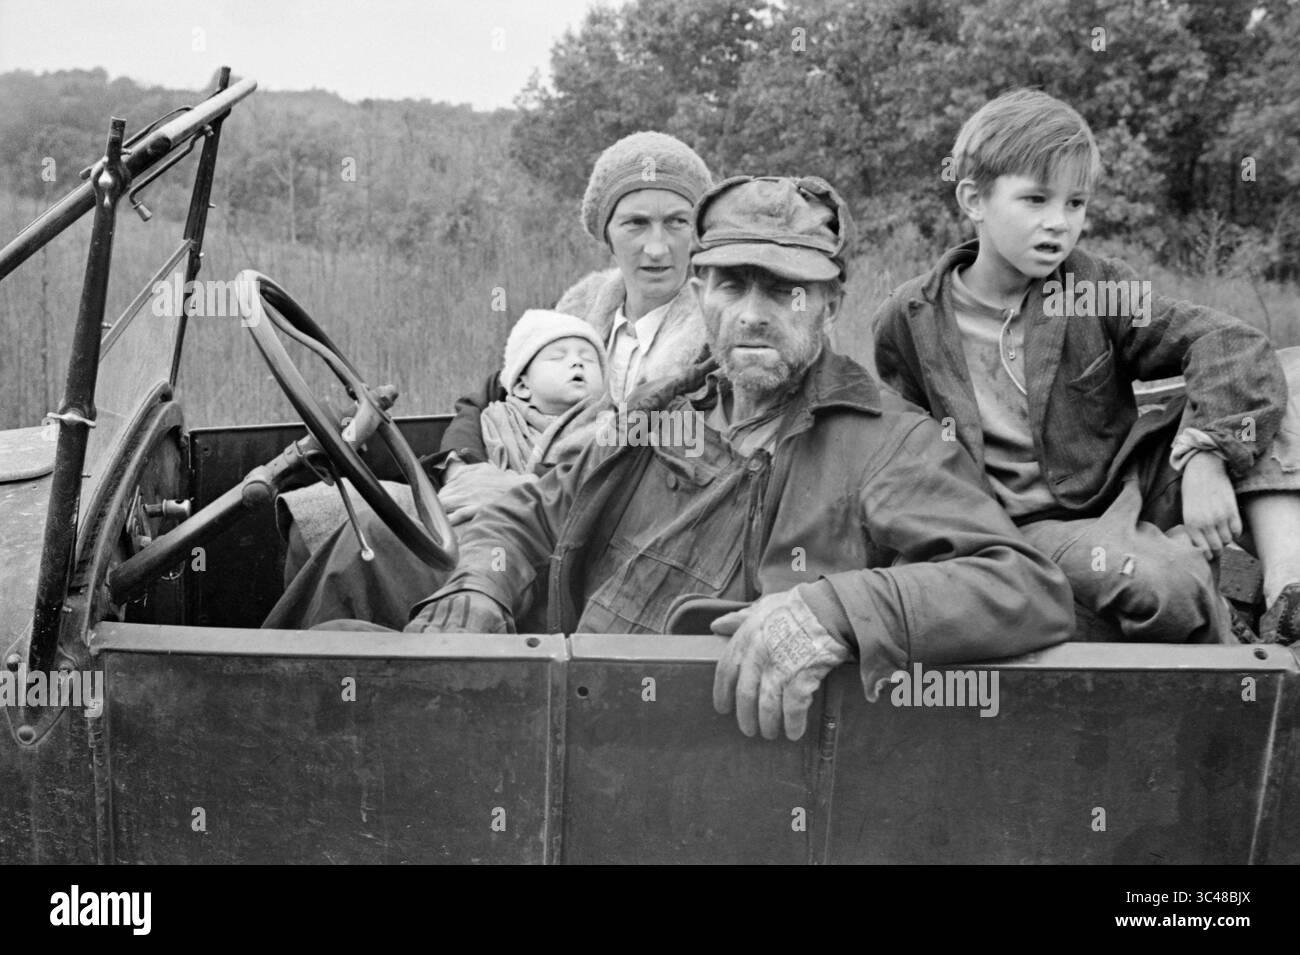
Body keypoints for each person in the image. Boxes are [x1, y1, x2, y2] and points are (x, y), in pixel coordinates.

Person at [407, 175, 1076, 742]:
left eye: (785, 289)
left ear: (828, 304)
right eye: (732, 286)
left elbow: (1024, 587)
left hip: (708, 754)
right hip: (568, 707)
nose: (754, 314)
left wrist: (837, 610)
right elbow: (538, 508)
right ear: (701, 296)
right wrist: (478, 585)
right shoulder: (659, 408)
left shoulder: (885, 441)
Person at [871, 88, 1300, 645]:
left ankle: (1288, 592)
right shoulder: (910, 319)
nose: (1059, 224)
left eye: (1075, 204)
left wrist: (1207, 453)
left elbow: (1227, 341)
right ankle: (1235, 648)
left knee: (1286, 377)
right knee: (1168, 584)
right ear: (974, 199)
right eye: (1036, 200)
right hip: (1034, 526)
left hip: (1127, 481)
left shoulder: (1092, 286)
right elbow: (904, 451)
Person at [435, 130, 715, 526]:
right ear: (607, 236)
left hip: (620, 534)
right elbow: (484, 398)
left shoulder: (716, 341)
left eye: (677, 222)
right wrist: (463, 469)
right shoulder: (576, 312)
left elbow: (678, 461)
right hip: (516, 514)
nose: (657, 248)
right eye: (635, 224)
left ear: (699, 234)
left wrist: (527, 494)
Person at [263, 309, 606, 629]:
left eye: (588, 359)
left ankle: (279, 662)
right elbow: (471, 413)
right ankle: (297, 646)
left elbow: (598, 492)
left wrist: (521, 491)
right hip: (465, 519)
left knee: (368, 532)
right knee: (316, 507)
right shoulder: (497, 418)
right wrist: (460, 464)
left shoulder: (609, 429)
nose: (576, 361)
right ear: (520, 387)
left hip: (528, 560)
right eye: (558, 357)